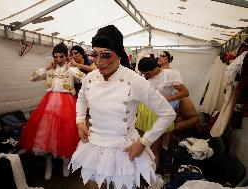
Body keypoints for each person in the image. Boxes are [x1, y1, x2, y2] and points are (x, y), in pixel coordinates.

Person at [69, 25, 176, 189]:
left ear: (118, 54)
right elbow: (82, 98)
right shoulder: (89, 78)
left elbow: (168, 114)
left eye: (105, 55)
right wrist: (80, 121)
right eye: (95, 55)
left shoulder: (135, 81)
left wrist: (143, 142)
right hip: (94, 146)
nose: (98, 62)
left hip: (124, 150)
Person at [18, 42, 85, 180]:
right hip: (48, 105)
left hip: (67, 105)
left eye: (61, 56)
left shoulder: (70, 68)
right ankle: (49, 165)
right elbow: (31, 77)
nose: (58, 59)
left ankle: (65, 164)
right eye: (56, 56)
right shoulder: (50, 69)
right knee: (46, 136)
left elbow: (84, 78)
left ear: (66, 56)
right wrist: (45, 68)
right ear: (53, 57)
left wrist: (70, 68)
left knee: (65, 133)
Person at [136, 57, 189, 170]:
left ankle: (152, 176)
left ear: (153, 69)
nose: (145, 76)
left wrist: (167, 99)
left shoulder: (169, 75)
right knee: (142, 144)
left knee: (153, 146)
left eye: (146, 74)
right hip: (144, 109)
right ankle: (142, 170)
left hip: (157, 112)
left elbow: (185, 92)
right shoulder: (144, 76)